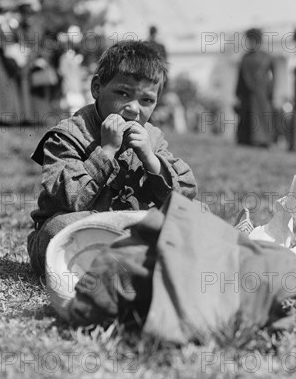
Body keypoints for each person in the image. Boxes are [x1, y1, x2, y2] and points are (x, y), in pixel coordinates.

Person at [27, 41, 197, 275]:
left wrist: (150, 159)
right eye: (123, 93)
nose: (133, 109)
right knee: (57, 229)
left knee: (195, 212)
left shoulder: (152, 136)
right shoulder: (68, 135)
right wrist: (106, 151)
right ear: (96, 87)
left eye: (147, 100)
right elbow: (68, 200)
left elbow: (184, 195)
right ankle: (139, 262)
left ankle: (138, 259)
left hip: (128, 228)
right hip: (81, 230)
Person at [235, 28, 276, 147]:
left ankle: (264, 140)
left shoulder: (267, 57)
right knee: (247, 117)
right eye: (249, 40)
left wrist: (270, 90)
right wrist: (237, 94)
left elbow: (273, 76)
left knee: (263, 116)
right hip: (247, 94)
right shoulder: (245, 57)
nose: (250, 43)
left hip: (262, 93)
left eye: (253, 40)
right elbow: (240, 77)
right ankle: (247, 140)